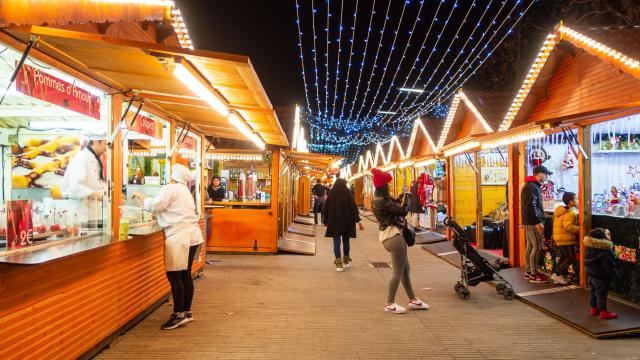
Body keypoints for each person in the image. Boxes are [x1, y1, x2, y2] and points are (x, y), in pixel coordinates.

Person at [132, 164, 204, 330]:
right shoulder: (184, 190)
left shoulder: (171, 188)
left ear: (172, 175)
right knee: (185, 273)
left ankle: (178, 315)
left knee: (174, 274)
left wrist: (143, 198)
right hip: (192, 234)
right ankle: (186, 312)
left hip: (179, 235)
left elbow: (157, 205)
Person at [371, 168, 429, 314]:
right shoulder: (383, 201)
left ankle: (413, 299)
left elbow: (393, 208)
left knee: (405, 269)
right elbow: (402, 211)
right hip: (394, 237)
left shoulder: (378, 200)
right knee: (398, 271)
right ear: (384, 186)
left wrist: (400, 197)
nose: (390, 186)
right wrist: (408, 199)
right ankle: (389, 303)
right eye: (388, 184)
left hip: (388, 236)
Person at [60, 135, 108, 224]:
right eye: (105, 144)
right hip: (81, 214)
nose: (107, 147)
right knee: (84, 237)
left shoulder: (95, 158)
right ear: (96, 142)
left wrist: (109, 194)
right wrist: (97, 195)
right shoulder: (81, 158)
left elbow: (98, 182)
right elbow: (74, 187)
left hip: (92, 213)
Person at [322, 178, 364, 272]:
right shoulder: (348, 193)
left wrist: (325, 221)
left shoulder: (331, 194)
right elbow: (353, 208)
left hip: (334, 222)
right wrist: (359, 222)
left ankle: (338, 265)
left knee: (336, 242)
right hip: (347, 222)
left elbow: (326, 209)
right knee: (346, 241)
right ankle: (346, 261)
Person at [520, 165, 553, 283]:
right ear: (539, 174)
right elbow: (531, 206)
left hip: (529, 221)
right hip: (533, 222)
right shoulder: (532, 187)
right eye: (546, 174)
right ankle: (533, 273)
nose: (546, 177)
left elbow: (529, 205)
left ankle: (529, 272)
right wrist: (538, 221)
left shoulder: (530, 185)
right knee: (537, 246)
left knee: (530, 246)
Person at [584, 228, 619, 320]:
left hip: (591, 274)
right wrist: (615, 276)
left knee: (592, 292)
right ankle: (603, 312)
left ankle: (594, 309)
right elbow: (608, 266)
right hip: (601, 276)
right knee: (601, 294)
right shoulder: (605, 250)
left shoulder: (588, 246)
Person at [551, 192, 580, 285]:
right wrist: (581, 229)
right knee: (570, 258)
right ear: (571, 202)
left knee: (563, 258)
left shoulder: (561, 211)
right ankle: (557, 274)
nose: (578, 201)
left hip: (560, 238)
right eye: (576, 199)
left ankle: (559, 277)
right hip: (566, 239)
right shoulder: (571, 213)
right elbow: (568, 227)